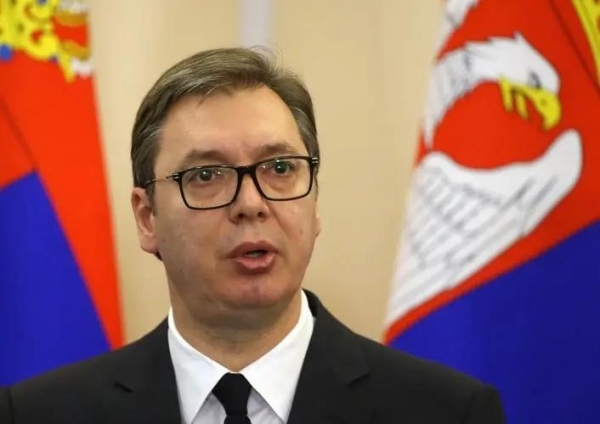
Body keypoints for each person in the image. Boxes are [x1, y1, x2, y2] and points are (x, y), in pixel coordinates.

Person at [0, 47, 505, 424]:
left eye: (280, 168)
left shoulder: (446, 411)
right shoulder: (39, 414)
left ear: (314, 199)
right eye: (206, 175)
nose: (251, 203)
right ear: (147, 218)